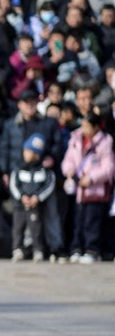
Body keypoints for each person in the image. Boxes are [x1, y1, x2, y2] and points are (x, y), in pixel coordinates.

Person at [61, 112, 115, 264]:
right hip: (78, 189)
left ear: (96, 127)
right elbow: (68, 159)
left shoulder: (105, 142)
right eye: (82, 125)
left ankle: (92, 250)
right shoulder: (76, 139)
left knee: (92, 223)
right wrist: (69, 171)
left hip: (95, 190)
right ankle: (76, 248)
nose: (83, 129)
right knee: (78, 221)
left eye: (87, 126)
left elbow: (109, 168)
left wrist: (91, 178)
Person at [9, 133, 56, 262]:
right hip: (20, 205)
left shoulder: (43, 170)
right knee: (18, 228)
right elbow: (14, 184)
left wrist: (37, 197)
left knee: (36, 229)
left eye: (29, 151)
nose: (25, 153)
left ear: (36, 154)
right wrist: (21, 196)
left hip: (35, 205)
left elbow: (48, 185)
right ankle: (17, 249)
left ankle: (37, 250)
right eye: (25, 150)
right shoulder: (18, 167)